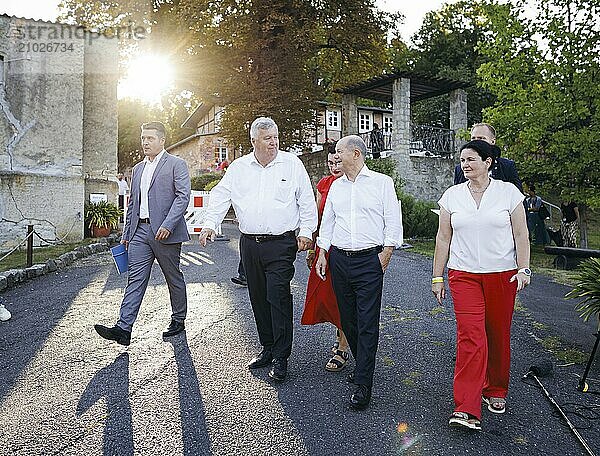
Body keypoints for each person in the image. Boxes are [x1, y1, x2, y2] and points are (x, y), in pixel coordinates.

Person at [199, 117, 317, 382]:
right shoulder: (240, 168)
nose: (273, 143)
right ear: (254, 141)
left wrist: (307, 232)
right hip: (250, 244)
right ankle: (267, 347)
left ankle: (281, 356)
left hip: (281, 244)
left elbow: (306, 200)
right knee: (258, 298)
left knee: (278, 296)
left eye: (275, 137)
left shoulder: (292, 163)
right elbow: (220, 195)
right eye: (267, 138)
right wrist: (209, 224)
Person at [432, 139, 531, 431]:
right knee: (471, 336)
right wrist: (438, 276)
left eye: (471, 159)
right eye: (462, 160)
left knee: (497, 334)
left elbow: (521, 234)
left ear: (488, 162)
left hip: (502, 274)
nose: (465, 164)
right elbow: (443, 239)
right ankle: (466, 406)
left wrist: (524, 268)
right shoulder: (452, 196)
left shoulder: (508, 193)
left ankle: (496, 388)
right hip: (463, 275)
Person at [315, 135, 403, 410]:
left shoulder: (381, 183)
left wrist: (386, 254)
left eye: (339, 152)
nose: (335, 157)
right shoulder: (336, 187)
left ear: (355, 154)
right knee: (348, 319)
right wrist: (322, 253)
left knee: (366, 321)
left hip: (369, 261)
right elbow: (327, 222)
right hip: (339, 260)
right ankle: (362, 363)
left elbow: (393, 219)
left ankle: (364, 382)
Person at [95, 121, 191, 346]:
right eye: (143, 138)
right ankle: (123, 328)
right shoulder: (137, 169)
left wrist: (168, 224)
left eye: (150, 138)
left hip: (165, 233)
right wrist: (126, 233)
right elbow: (133, 205)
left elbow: (182, 197)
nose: (145, 142)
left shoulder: (176, 164)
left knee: (172, 276)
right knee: (135, 279)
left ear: (162, 140)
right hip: (140, 232)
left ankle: (178, 319)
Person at [302, 141, 351, 372]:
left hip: (346, 248)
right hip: (325, 248)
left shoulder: (353, 184)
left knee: (343, 298)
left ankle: (343, 348)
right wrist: (314, 248)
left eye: (337, 162)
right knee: (327, 297)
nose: (334, 166)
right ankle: (341, 335)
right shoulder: (324, 184)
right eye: (330, 162)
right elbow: (317, 219)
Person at [454, 123, 523, 193]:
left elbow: (517, 196)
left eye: (481, 138)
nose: (476, 142)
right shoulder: (460, 169)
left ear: (492, 141)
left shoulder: (507, 166)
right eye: (473, 138)